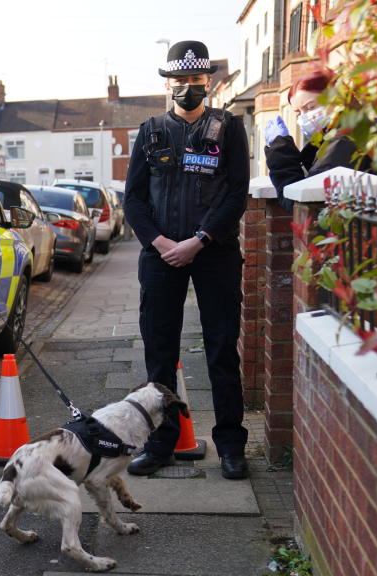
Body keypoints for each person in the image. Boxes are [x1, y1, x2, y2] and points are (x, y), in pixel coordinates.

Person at [124, 41, 252, 480]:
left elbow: (237, 193)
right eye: (179, 81)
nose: (187, 88)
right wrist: (161, 243)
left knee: (221, 351)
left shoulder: (230, 129)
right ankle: (162, 444)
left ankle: (232, 447)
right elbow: (135, 199)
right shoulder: (151, 131)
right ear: (167, 83)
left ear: (209, 82)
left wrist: (199, 239)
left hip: (214, 252)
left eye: (195, 81)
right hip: (161, 256)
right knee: (160, 354)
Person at [264, 68, 358, 212]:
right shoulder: (331, 140)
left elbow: (299, 204)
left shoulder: (343, 142)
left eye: (311, 107)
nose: (304, 117)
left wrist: (280, 150)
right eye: (298, 112)